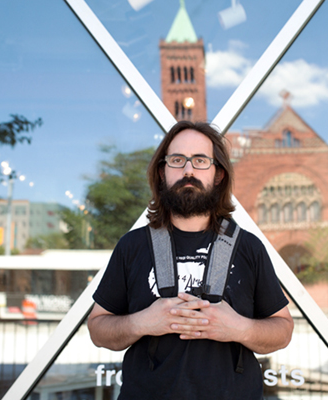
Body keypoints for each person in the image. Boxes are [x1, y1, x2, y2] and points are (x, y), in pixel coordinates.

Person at [88, 121, 293, 399]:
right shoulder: (132, 246)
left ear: (218, 174)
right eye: (177, 160)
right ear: (162, 172)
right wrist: (143, 323)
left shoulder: (248, 247)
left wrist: (239, 328)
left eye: (200, 161)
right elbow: (98, 329)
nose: (188, 170)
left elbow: (282, 330)